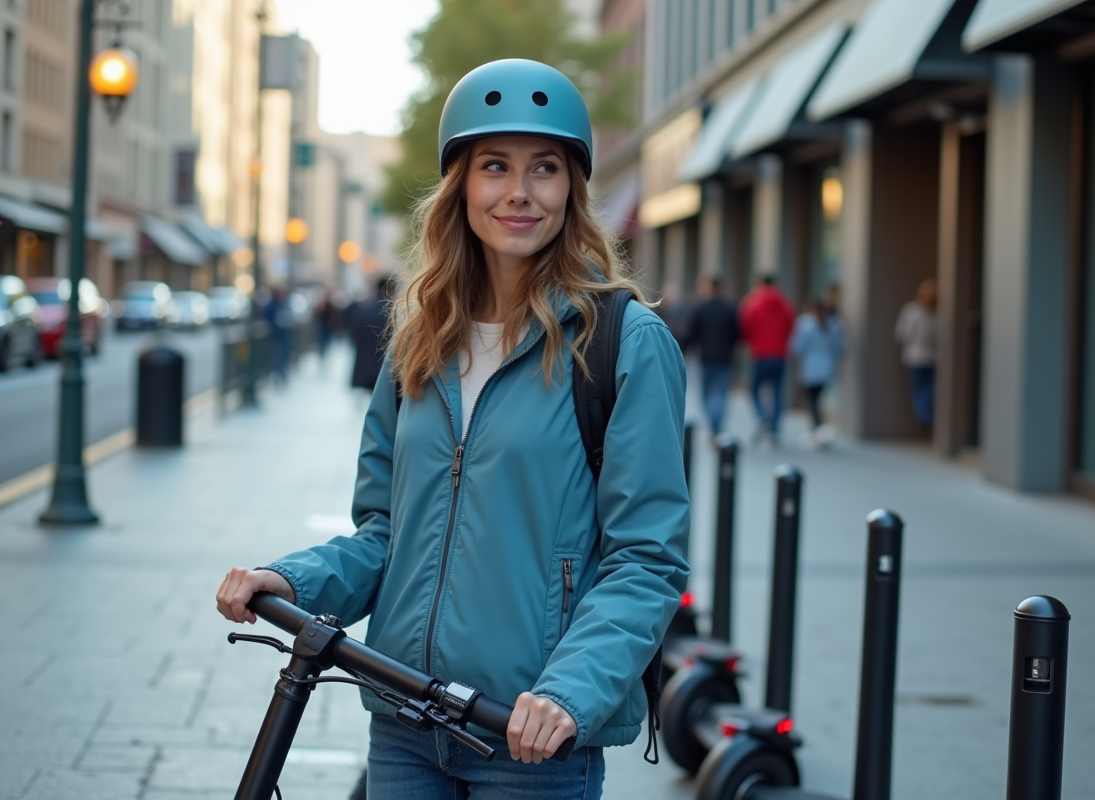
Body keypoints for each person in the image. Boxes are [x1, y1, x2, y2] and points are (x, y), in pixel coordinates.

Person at [214, 59, 689, 800]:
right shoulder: (420, 337)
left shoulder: (625, 341)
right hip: (405, 721)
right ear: (461, 184)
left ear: (573, 189)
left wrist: (567, 692)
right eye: (494, 166)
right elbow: (384, 533)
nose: (519, 192)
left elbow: (647, 559)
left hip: (529, 741)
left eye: (546, 169)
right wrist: (294, 580)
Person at [738, 274, 795, 444]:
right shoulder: (785, 304)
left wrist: (750, 343)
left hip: (760, 354)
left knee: (755, 389)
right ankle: (774, 429)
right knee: (777, 392)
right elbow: (790, 326)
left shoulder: (752, 303)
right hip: (780, 354)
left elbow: (745, 327)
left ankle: (763, 418)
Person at [683, 274, 740, 436]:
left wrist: (686, 349)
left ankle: (713, 423)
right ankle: (717, 423)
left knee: (706, 394)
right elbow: (736, 334)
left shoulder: (700, 308)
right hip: (725, 358)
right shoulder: (729, 308)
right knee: (721, 393)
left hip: (706, 357)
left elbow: (691, 333)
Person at [790, 298, 844, 448]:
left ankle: (818, 430)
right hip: (827, 368)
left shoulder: (805, 324)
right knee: (817, 401)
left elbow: (797, 347)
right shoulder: (834, 324)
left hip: (811, 368)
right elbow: (840, 347)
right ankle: (820, 430)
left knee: (813, 401)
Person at [895, 278, 938, 431]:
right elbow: (902, 334)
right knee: (920, 389)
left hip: (932, 358)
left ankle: (927, 416)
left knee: (931, 390)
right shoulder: (912, 311)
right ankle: (924, 418)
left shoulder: (937, 312)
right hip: (915, 358)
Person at [348, 275, 396, 391]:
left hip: (368, 360)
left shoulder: (366, 308)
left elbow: (355, 332)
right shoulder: (394, 311)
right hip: (387, 363)